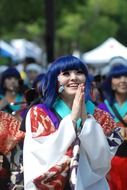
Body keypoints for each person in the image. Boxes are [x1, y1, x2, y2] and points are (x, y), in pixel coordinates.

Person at [23, 55, 123, 190]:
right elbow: (40, 154)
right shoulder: (39, 113)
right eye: (66, 73)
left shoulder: (101, 116)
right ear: (55, 80)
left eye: (79, 72)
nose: (74, 77)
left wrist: (87, 122)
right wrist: (72, 120)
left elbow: (103, 160)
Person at [98, 63, 127, 190]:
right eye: (117, 77)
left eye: (126, 76)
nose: (123, 80)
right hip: (109, 164)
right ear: (111, 82)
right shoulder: (101, 109)